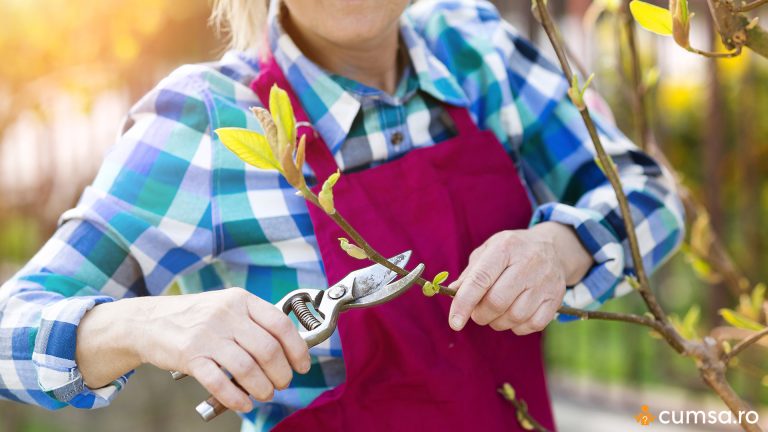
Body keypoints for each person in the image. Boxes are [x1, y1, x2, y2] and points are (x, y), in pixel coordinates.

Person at [0, 0, 684, 430]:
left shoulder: (475, 48)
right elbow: (12, 331)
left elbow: (649, 194)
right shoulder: (206, 122)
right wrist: (149, 323)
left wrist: (560, 248)